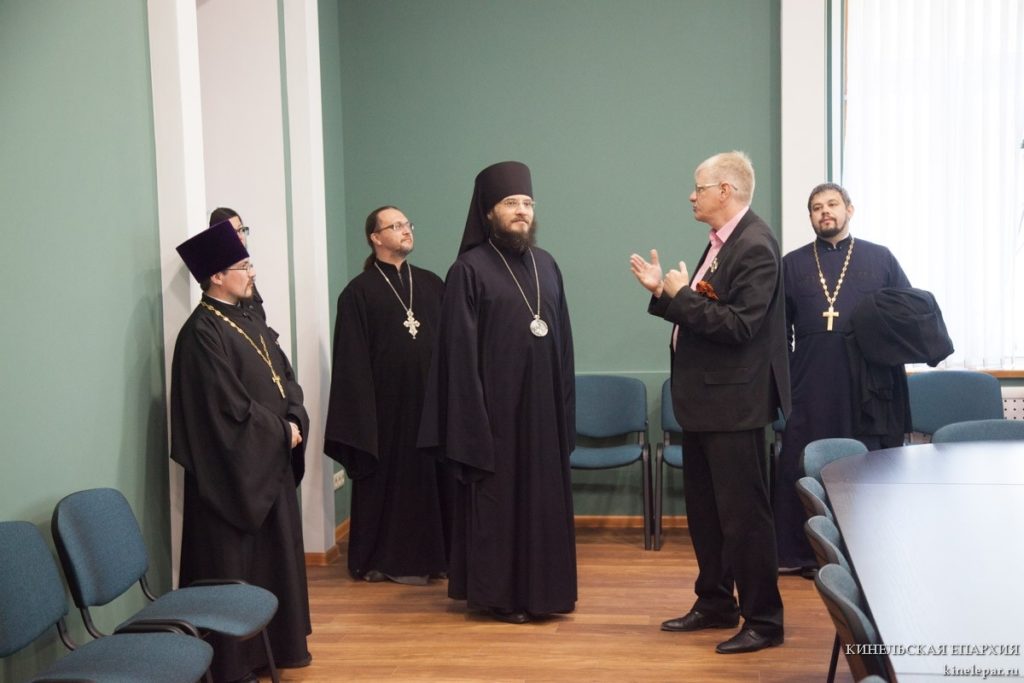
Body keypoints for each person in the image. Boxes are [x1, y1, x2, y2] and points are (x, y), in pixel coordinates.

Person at [629, 151, 790, 654]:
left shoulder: (755, 245)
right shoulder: (723, 241)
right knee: (706, 513)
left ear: (726, 190)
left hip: (735, 405)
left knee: (744, 518)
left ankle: (764, 620)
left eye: (698, 188)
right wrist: (665, 294)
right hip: (706, 401)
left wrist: (681, 296)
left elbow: (740, 326)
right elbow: (703, 313)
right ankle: (716, 601)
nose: (691, 196)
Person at [418, 161, 577, 624]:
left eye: (528, 203)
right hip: (495, 419)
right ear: (489, 211)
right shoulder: (468, 269)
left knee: (543, 504)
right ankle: (502, 597)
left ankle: (547, 593)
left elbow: (564, 343)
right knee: (500, 506)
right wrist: (473, 425)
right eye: (511, 203)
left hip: (543, 415)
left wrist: (564, 411)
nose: (522, 211)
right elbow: (457, 356)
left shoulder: (547, 264)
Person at [171, 220, 312, 682]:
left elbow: (284, 377)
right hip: (234, 480)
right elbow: (225, 408)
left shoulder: (250, 319)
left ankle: (279, 647)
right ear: (216, 276)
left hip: (270, 466)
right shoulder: (201, 333)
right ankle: (236, 662)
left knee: (277, 562)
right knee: (237, 566)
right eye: (243, 266)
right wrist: (280, 432)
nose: (252, 274)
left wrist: (295, 418)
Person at [772, 183, 911, 572]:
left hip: (865, 382)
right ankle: (800, 554)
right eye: (816, 207)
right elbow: (779, 330)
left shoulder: (879, 258)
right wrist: (788, 382)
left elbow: (906, 313)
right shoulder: (792, 264)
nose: (825, 212)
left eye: (832, 204)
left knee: (864, 466)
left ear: (849, 209)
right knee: (801, 463)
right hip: (809, 380)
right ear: (811, 217)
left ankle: (867, 553)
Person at [323, 205, 452, 584]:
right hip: (384, 414)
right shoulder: (357, 293)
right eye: (395, 226)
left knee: (432, 482)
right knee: (390, 486)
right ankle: (381, 560)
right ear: (375, 237)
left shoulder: (432, 284)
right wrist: (362, 419)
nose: (405, 230)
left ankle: (438, 558)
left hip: (430, 408)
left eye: (407, 224)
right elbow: (350, 363)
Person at [209, 207, 267, 321]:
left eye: (241, 230)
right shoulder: (219, 273)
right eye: (231, 232)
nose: (240, 237)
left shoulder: (247, 274)